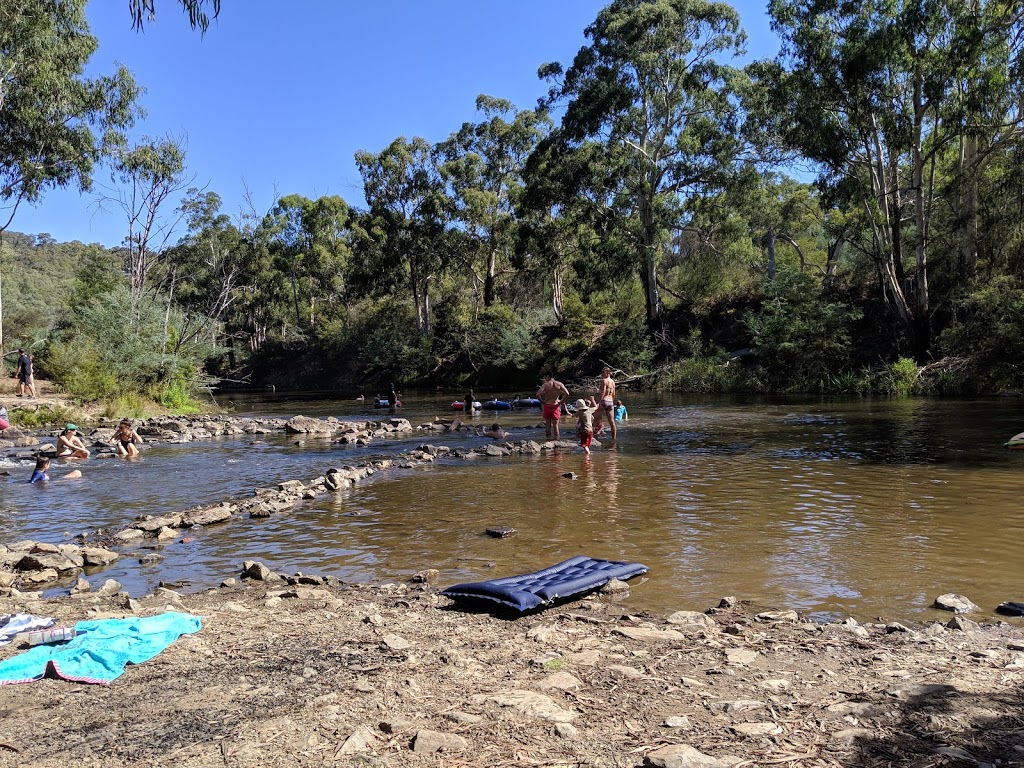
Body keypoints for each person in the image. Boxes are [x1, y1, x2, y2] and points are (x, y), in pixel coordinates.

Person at [537, 373, 570, 439]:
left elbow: (537, 394)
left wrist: (543, 402)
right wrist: (561, 401)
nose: (545, 379)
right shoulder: (559, 384)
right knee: (555, 425)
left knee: (548, 424)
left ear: (548, 376)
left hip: (547, 405)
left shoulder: (546, 384)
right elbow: (567, 393)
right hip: (556, 405)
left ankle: (548, 439)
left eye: (545, 377)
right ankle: (557, 439)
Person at [593, 366, 617, 442]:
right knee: (612, 422)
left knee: (594, 419)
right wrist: (611, 401)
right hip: (610, 402)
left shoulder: (604, 381)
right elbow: (613, 394)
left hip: (604, 401)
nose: (602, 374)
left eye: (603, 372)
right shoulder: (613, 382)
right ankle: (614, 439)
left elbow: (603, 392)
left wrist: (598, 402)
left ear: (608, 373)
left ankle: (592, 437)